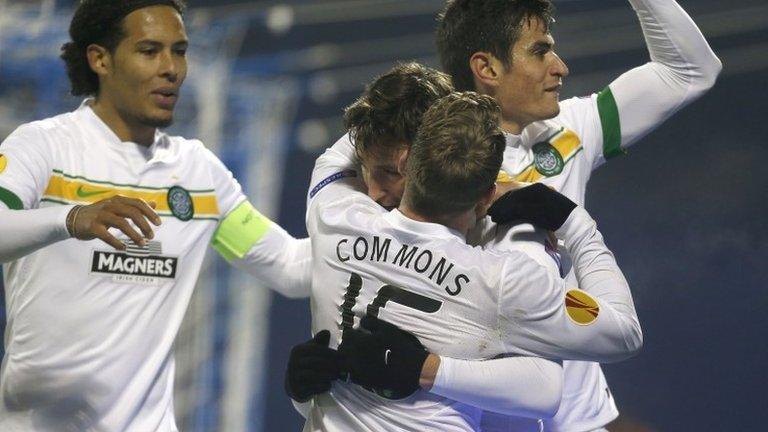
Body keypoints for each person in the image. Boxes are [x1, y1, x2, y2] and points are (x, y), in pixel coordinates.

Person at [0, 1, 310, 430]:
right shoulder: (42, 147)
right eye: (149, 50)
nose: (172, 69)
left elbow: (292, 268)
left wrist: (385, 230)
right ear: (100, 59)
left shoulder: (199, 175)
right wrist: (72, 219)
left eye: (179, 51)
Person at [433, 0, 722, 430]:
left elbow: (691, 71)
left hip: (578, 418)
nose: (560, 66)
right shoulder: (424, 159)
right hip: (471, 416)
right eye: (539, 51)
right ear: (486, 68)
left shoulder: (568, 130)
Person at [298, 90, 641, 431]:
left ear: (407, 164)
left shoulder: (334, 215)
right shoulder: (502, 276)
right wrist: (576, 224)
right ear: (488, 193)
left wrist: (429, 90)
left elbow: (356, 135)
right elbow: (623, 333)